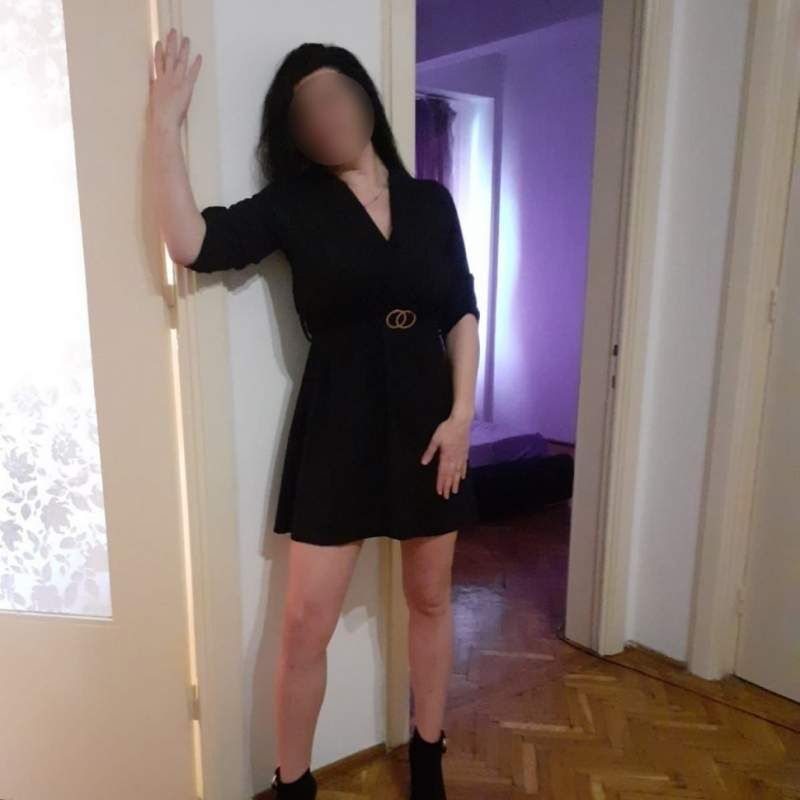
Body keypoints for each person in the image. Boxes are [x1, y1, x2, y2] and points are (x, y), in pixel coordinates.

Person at [148, 28, 481, 800]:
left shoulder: (431, 202)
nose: (326, 113)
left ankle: (428, 756)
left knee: (431, 598)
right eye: (306, 109)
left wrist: (463, 415)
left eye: (336, 94)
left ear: (366, 100)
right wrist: (164, 124)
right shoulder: (295, 205)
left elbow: (462, 311)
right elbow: (192, 243)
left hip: (432, 419)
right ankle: (293, 783)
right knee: (304, 623)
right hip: (339, 419)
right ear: (293, 134)